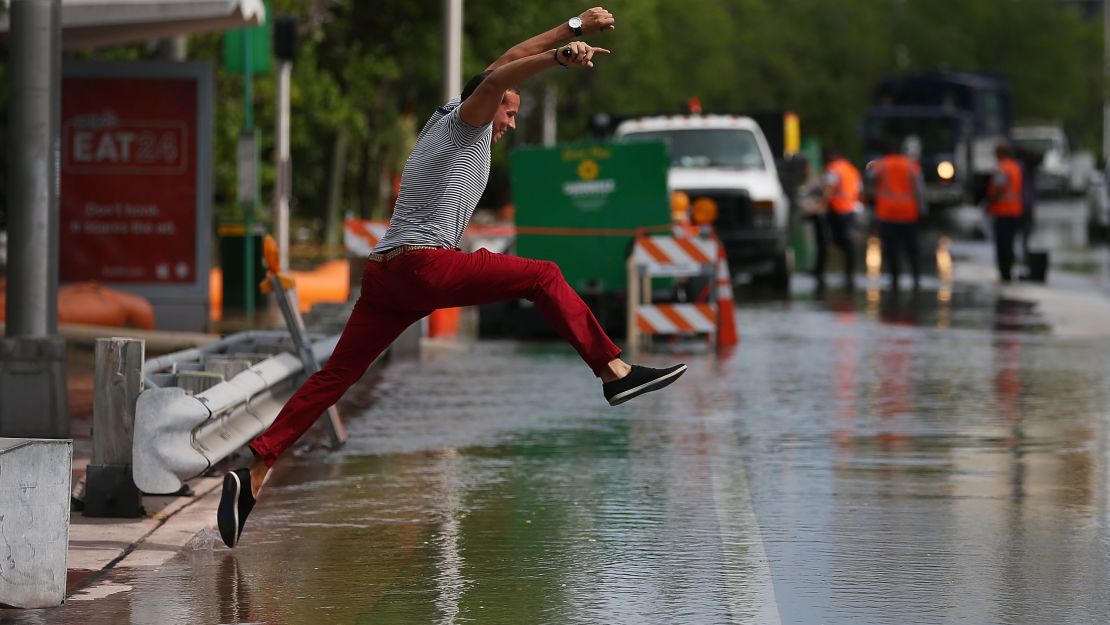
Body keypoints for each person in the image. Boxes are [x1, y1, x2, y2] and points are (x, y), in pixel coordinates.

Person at [216, 7, 688, 549]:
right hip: (424, 266)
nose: (511, 122)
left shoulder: (445, 115)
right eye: (510, 113)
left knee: (335, 377)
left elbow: (507, 61)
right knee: (544, 275)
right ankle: (613, 371)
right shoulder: (467, 125)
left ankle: (254, 468)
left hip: (386, 272)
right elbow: (502, 77)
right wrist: (559, 58)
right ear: (489, 106)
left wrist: (576, 26)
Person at [870, 137, 925, 291]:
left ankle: (894, 279)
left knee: (891, 248)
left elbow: (871, 181)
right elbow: (919, 190)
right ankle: (916, 278)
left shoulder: (881, 165)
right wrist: (922, 209)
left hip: (887, 213)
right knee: (912, 248)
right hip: (908, 213)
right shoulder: (911, 166)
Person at [814, 148, 862, 290]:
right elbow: (858, 190)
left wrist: (821, 205)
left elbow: (829, 188)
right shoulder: (852, 170)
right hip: (850, 209)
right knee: (848, 243)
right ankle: (849, 274)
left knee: (825, 242)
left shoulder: (833, 168)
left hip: (836, 209)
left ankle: (820, 273)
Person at [987, 142, 1024, 283]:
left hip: (1002, 212)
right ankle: (1009, 272)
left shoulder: (1002, 169)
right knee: (1010, 243)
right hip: (1015, 211)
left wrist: (989, 203)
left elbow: (998, 188)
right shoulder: (1015, 168)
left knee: (1002, 245)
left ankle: (1005, 274)